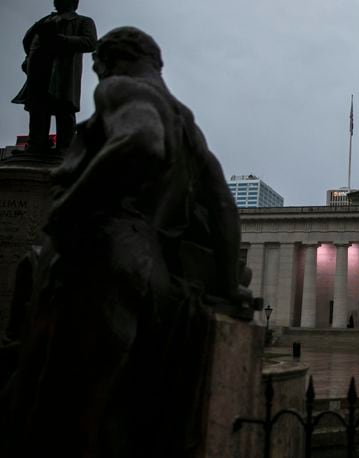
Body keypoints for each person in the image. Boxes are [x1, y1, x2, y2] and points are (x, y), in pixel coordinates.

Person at [0, 27, 244, 457]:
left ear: (110, 61)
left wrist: (68, 207)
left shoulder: (123, 88)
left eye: (97, 67)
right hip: (157, 276)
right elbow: (224, 206)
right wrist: (226, 289)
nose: (98, 76)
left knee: (61, 408)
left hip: (102, 259)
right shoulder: (185, 120)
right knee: (126, 412)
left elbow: (142, 141)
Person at [11, 0, 96, 154]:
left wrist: (61, 40)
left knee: (64, 107)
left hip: (63, 71)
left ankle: (65, 148)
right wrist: (28, 59)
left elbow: (90, 43)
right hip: (38, 69)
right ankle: (35, 146)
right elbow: (30, 42)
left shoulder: (83, 21)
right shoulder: (44, 20)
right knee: (37, 108)